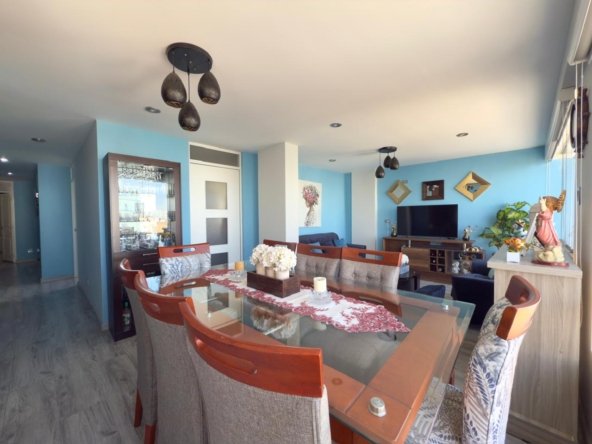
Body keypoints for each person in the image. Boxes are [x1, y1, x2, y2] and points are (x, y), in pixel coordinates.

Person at [535, 191, 566, 263]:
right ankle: (550, 250)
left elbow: (545, 212)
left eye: (545, 202)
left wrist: (542, 204)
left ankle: (551, 251)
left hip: (545, 232)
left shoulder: (548, 212)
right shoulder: (546, 212)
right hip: (543, 231)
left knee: (550, 242)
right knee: (549, 243)